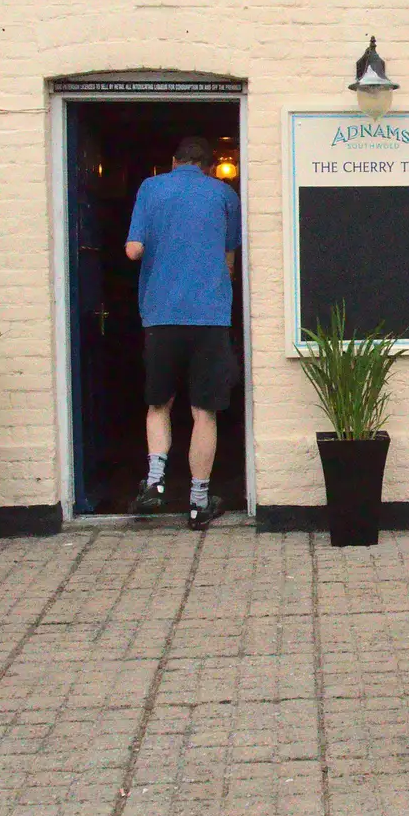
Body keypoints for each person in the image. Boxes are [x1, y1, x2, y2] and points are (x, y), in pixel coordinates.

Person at [124, 136, 241, 530]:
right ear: (209, 166)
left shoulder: (151, 187)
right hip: (210, 317)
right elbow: (229, 257)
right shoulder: (225, 195)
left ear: (174, 162)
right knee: (203, 412)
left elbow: (133, 250)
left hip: (161, 316)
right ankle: (198, 502)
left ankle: (155, 483)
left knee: (159, 404)